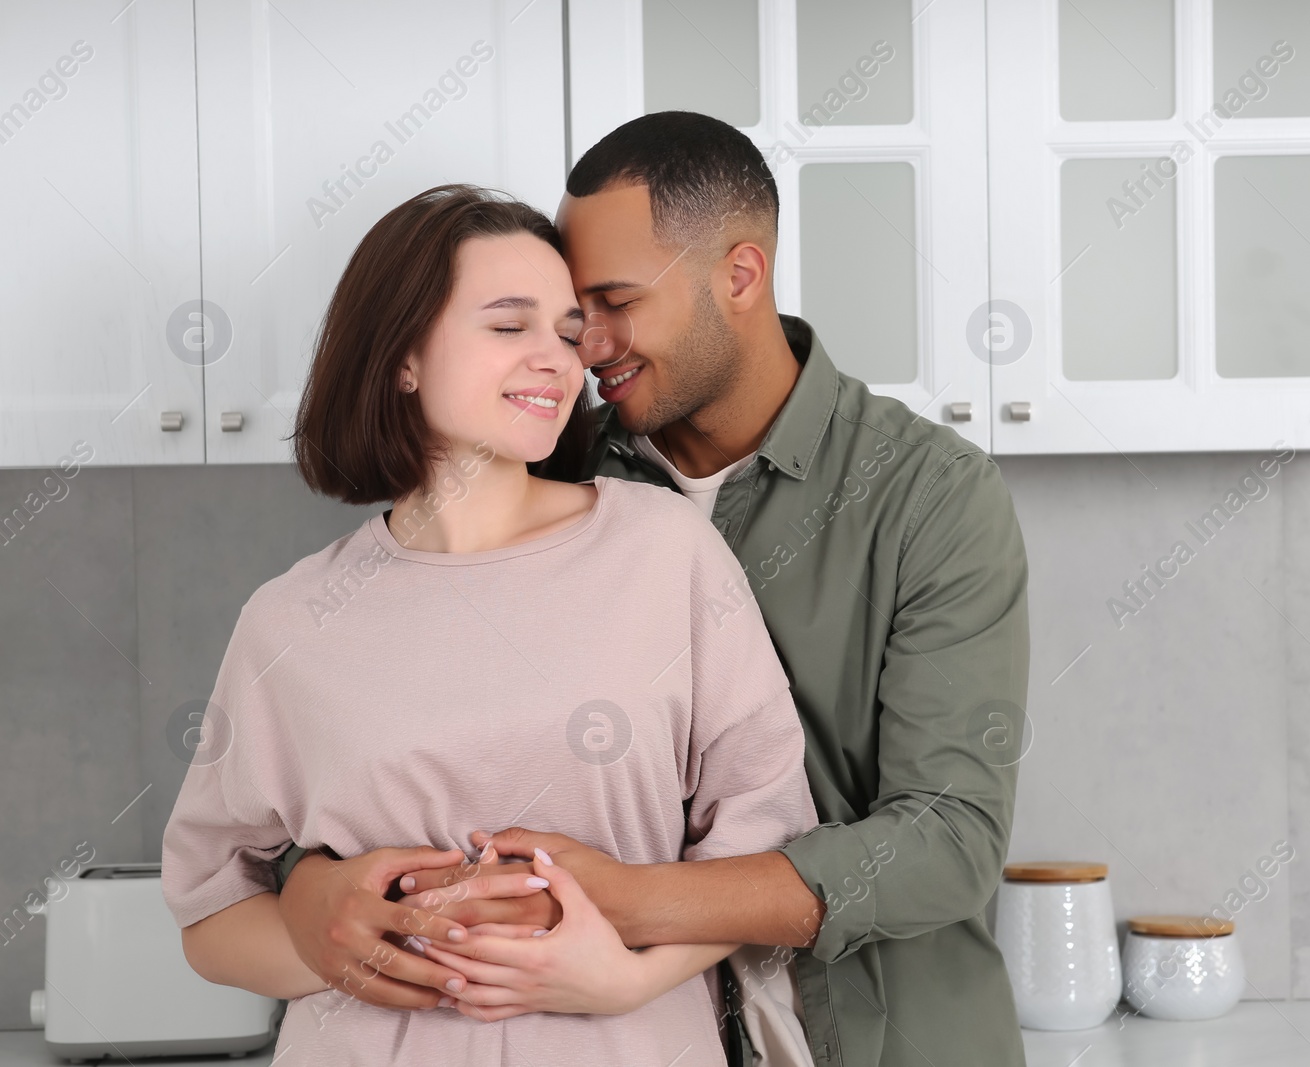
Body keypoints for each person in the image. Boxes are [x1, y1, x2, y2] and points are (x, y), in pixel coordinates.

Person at [276, 111, 1032, 1067]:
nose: (583, 346)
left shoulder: (928, 495)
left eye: (613, 300)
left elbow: (950, 839)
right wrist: (308, 886)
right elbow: (390, 742)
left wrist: (622, 896)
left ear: (741, 276)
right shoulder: (551, 465)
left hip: (877, 1039)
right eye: (561, 312)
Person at [160, 183, 819, 1066]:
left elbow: (765, 835)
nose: (554, 358)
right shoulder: (290, 619)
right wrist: (333, 948)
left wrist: (622, 977)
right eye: (509, 326)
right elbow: (209, 912)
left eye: (565, 331)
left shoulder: (665, 552)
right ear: (403, 357)